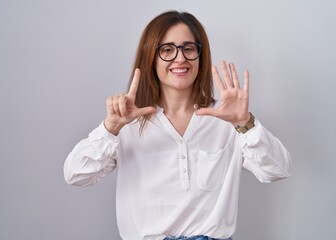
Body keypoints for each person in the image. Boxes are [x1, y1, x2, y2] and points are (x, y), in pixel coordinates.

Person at [64, 10, 291, 240]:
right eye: (167, 50)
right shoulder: (127, 123)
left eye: (189, 49)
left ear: (200, 56)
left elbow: (278, 170)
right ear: (150, 58)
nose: (180, 59)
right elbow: (76, 174)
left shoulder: (226, 120)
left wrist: (245, 123)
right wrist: (110, 128)